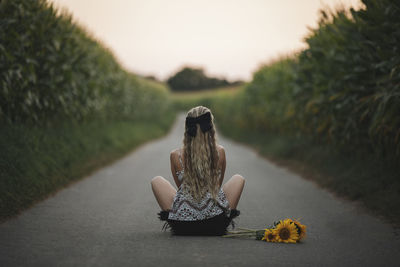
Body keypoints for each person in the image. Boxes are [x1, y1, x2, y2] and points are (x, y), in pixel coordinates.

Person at [151, 106, 245, 235]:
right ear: (211, 128)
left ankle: (182, 216)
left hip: (183, 226)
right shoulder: (220, 152)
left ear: (187, 129)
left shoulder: (175, 155)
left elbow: (181, 190)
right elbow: (217, 187)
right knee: (238, 178)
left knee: (156, 181)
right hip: (216, 224)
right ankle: (211, 216)